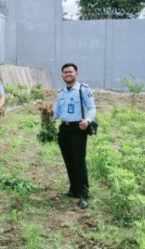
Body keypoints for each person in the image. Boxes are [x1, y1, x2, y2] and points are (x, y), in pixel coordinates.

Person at [54, 63, 96, 209]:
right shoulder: (60, 93)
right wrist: (47, 116)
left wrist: (88, 120)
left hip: (78, 129)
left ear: (76, 73)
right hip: (64, 129)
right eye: (65, 72)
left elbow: (91, 108)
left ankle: (84, 194)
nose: (68, 74)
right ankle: (73, 190)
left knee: (79, 162)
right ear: (62, 75)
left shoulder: (83, 89)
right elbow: (56, 112)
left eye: (70, 72)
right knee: (69, 161)